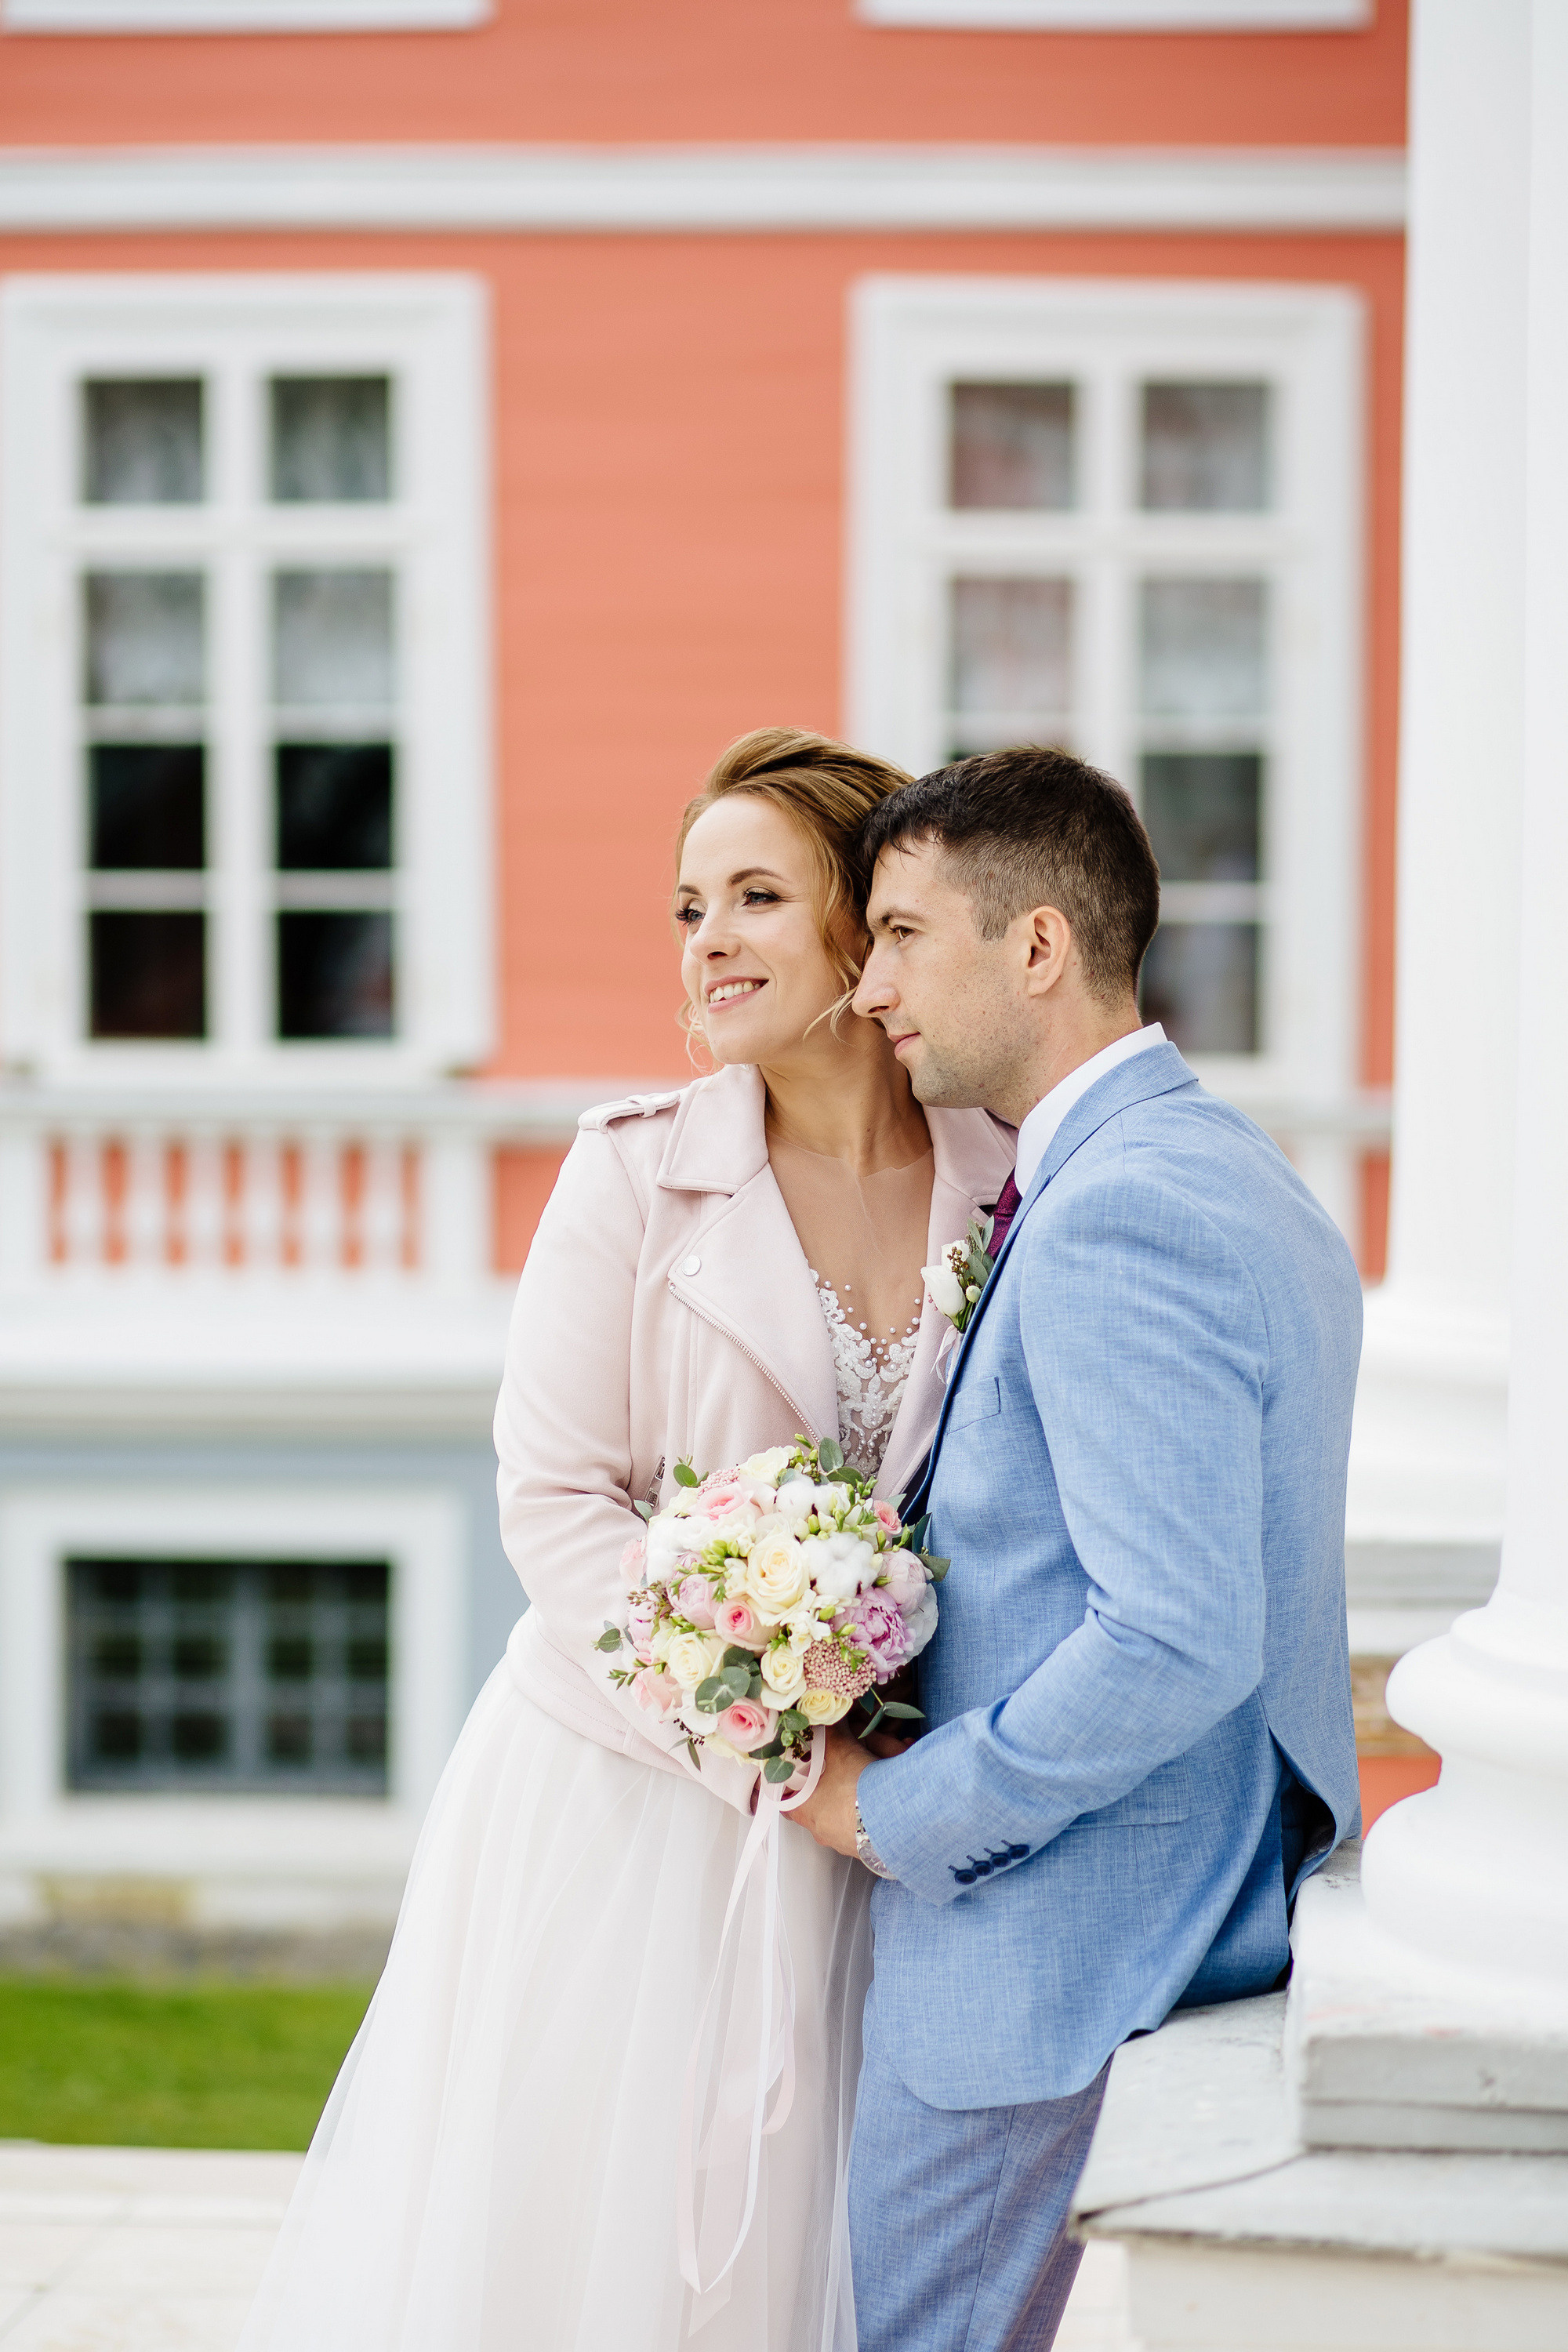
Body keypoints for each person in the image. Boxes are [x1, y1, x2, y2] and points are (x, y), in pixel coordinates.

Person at [236, 727, 1013, 2352]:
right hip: (622, 1803)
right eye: (685, 907)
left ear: (865, 930)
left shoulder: (1002, 1182)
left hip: (886, 1826)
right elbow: (554, 1500)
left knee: (827, 2238)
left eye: (752, 896)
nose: (706, 940)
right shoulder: (629, 1177)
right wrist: (775, 1757)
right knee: (585, 2246)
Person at [788, 744, 1363, 2352]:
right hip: (1162, 1905)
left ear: (1035, 945)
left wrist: (899, 1812)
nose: (866, 985)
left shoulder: (1124, 1211)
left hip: (1056, 1949)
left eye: (901, 934)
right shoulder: (1233, 1176)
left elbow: (1175, 1631)